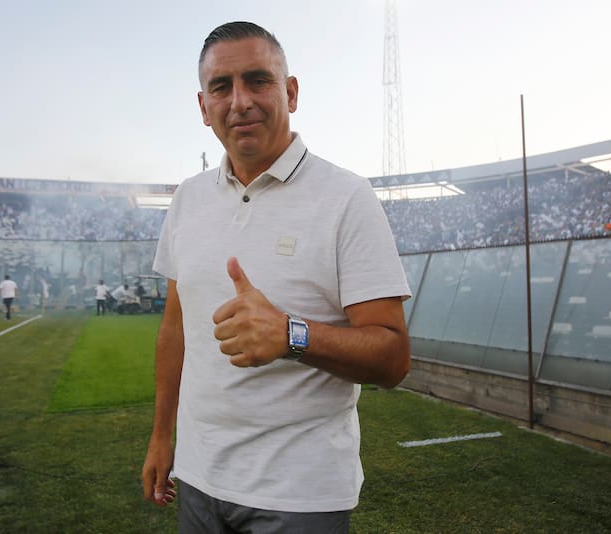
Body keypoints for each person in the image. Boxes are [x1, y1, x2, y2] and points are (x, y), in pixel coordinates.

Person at [141, 21, 411, 533]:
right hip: (198, 478)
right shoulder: (187, 199)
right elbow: (176, 328)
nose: (239, 101)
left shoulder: (346, 198)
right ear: (204, 108)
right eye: (221, 87)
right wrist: (161, 436)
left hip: (300, 493)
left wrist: (292, 335)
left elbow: (393, 358)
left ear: (290, 92)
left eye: (257, 80)